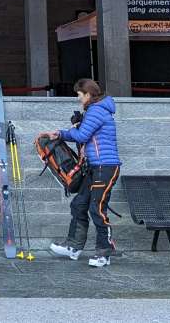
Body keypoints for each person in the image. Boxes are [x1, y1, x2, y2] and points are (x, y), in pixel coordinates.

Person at [45, 78, 121, 268]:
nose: (78, 99)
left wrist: (70, 130)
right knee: (79, 204)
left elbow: (82, 136)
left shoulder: (97, 110)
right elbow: (82, 135)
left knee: (97, 209)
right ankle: (73, 246)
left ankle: (104, 253)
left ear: (88, 94)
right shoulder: (95, 110)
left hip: (106, 168)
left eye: (79, 95)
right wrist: (61, 133)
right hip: (95, 167)